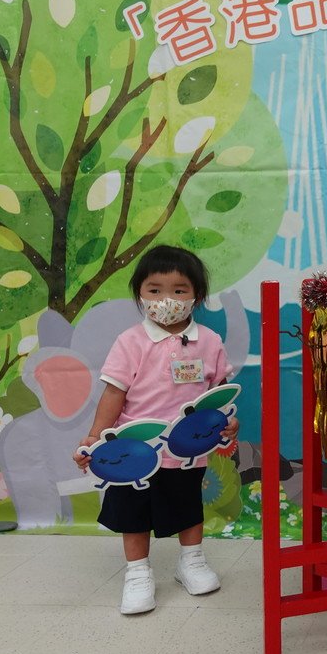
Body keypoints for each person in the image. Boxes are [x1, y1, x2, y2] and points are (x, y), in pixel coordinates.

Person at [73, 245, 238, 615]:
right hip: (135, 449)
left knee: (188, 504)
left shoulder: (209, 341)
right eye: (155, 289)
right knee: (132, 512)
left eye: (179, 290)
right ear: (140, 294)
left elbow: (219, 396)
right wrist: (97, 436)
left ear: (197, 295)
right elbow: (114, 392)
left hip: (187, 450)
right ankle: (137, 573)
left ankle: (191, 561)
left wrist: (229, 421)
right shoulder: (130, 341)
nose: (167, 299)